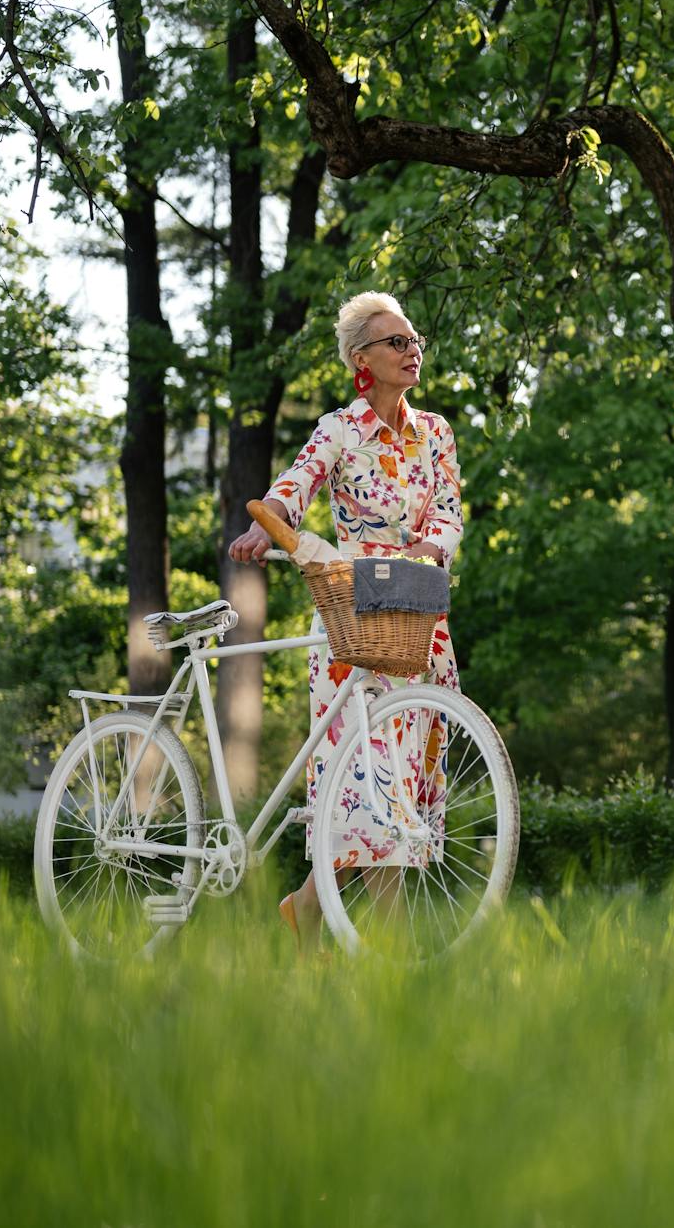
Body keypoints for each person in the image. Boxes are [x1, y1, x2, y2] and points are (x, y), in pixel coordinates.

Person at [228, 291, 464, 950]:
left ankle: (306, 908)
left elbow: (448, 514)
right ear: (362, 359)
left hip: (420, 622)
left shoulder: (436, 432)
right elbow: (295, 485)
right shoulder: (339, 430)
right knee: (369, 793)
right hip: (355, 624)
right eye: (395, 341)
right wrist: (262, 524)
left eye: (414, 339)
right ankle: (389, 963)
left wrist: (428, 548)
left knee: (401, 799)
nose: (411, 348)